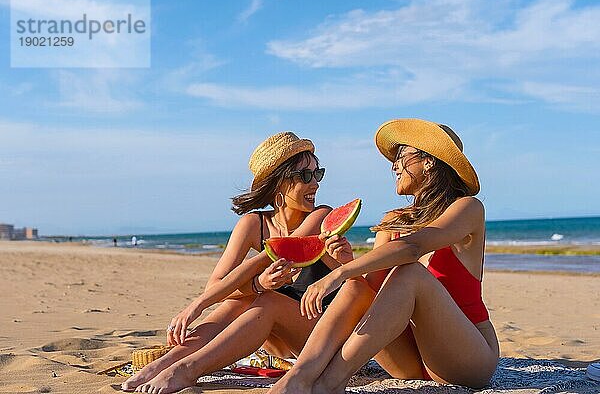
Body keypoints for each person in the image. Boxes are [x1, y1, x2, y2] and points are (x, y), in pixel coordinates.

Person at [269, 118, 499, 394]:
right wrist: (348, 266)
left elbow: (413, 248)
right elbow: (369, 288)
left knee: (409, 272)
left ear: (429, 162)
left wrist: (339, 273)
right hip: (410, 359)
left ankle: (329, 385)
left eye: (401, 157)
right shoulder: (394, 221)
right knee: (358, 284)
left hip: (466, 358)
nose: (394, 166)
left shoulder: (468, 208)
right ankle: (300, 376)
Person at [122, 132, 360, 393]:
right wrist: (258, 284)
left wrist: (197, 306)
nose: (314, 183)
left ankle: (186, 370)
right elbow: (217, 283)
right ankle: (164, 364)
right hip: (278, 343)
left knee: (268, 300)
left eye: (318, 173)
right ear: (279, 182)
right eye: (305, 176)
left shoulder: (321, 215)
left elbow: (270, 254)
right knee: (242, 299)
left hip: (323, 337)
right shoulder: (253, 224)